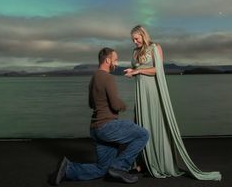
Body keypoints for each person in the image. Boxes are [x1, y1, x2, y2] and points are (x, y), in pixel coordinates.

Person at [124, 25, 222, 180]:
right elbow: (137, 67)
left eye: (136, 38)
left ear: (143, 35)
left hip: (153, 92)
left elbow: (158, 70)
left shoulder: (155, 47)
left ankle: (159, 162)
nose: (134, 41)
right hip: (140, 92)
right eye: (133, 39)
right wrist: (131, 70)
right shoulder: (135, 51)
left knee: (154, 124)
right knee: (141, 126)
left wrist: (138, 71)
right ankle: (142, 163)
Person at [48, 47, 149, 185]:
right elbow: (115, 105)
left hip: (95, 129)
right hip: (107, 127)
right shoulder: (108, 77)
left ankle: (68, 169)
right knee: (143, 134)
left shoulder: (94, 77)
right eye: (116, 60)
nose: (117, 63)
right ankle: (120, 167)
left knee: (103, 169)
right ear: (108, 60)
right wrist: (123, 105)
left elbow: (91, 103)